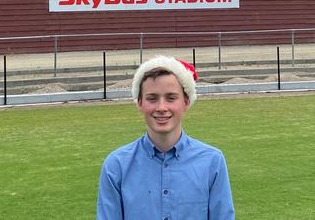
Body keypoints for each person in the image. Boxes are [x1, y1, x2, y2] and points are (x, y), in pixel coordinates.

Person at [97, 55, 235, 220]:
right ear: (139, 102)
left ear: (186, 101)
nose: (161, 108)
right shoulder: (116, 166)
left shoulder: (212, 162)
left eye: (171, 98)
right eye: (152, 98)